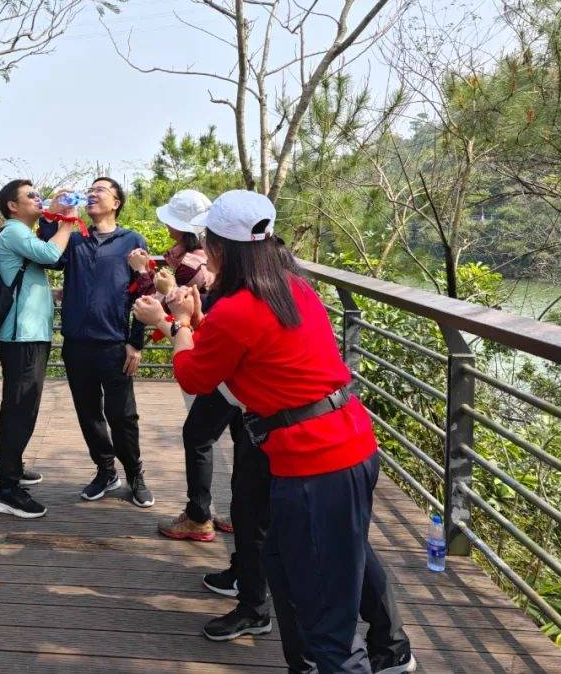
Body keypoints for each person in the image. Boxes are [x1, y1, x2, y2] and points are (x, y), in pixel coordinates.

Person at [134, 190, 415, 674]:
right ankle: (381, 655)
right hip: (345, 444)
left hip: (314, 464)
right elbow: (251, 349)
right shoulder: (290, 285)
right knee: (292, 563)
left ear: (218, 248)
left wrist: (172, 323)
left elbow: (195, 376)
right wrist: (198, 320)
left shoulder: (240, 308)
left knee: (324, 618)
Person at [127, 189, 237, 542]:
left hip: (215, 356)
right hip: (235, 358)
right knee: (243, 438)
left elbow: (167, 305)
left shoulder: (193, 263)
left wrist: (146, 273)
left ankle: (199, 516)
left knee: (198, 434)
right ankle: (239, 512)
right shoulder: (202, 258)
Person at [39, 177, 154, 508]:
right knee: (88, 413)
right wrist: (54, 212)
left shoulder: (131, 240)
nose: (92, 194)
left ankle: (135, 474)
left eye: (100, 190)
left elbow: (144, 294)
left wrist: (136, 344)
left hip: (115, 345)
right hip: (77, 343)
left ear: (116, 203)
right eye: (90, 190)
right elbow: (50, 255)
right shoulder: (75, 240)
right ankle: (105, 470)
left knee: (122, 416)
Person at [0, 179, 75, 518]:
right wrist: (67, 220)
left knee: (17, 406)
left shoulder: (23, 234)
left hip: (28, 334)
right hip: (21, 335)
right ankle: (8, 490)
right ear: (13, 205)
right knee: (21, 408)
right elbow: (52, 253)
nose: (38, 200)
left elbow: (37, 269)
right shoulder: (14, 231)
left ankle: (7, 468)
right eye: (31, 196)